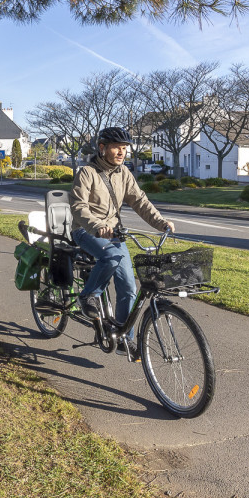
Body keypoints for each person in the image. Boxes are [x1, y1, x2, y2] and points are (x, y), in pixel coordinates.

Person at [70, 127, 176, 354]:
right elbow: (79, 207)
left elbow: (140, 201)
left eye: (125, 148)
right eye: (117, 147)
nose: (122, 152)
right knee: (110, 256)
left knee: (129, 287)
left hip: (114, 234)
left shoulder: (124, 174)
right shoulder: (87, 173)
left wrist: (161, 223)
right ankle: (89, 295)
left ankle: (122, 338)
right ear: (102, 148)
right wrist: (97, 226)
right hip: (86, 231)